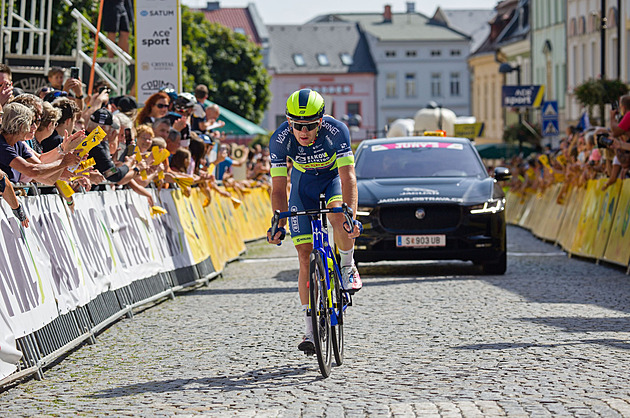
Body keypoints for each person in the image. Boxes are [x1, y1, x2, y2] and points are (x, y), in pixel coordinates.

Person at [266, 88, 363, 353]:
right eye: (297, 125)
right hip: (303, 186)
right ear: (289, 123)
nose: (303, 131)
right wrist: (279, 224)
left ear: (320, 121)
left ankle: (347, 265)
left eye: (309, 125)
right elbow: (278, 188)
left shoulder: (337, 131)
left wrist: (350, 216)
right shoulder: (279, 140)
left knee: (336, 214)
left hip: (332, 179)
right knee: (304, 256)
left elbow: (348, 178)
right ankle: (309, 331)